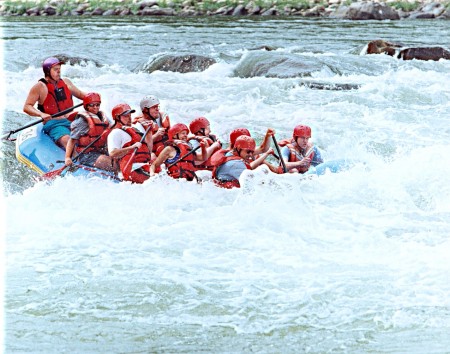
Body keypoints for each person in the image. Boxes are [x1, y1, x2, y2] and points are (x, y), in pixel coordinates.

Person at [23, 56, 86, 148]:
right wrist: (41, 114)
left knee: (91, 136)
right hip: (54, 124)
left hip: (72, 121)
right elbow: (27, 107)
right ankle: (76, 161)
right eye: (55, 69)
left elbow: (81, 94)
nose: (59, 71)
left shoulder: (66, 82)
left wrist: (93, 96)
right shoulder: (39, 87)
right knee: (68, 141)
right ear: (48, 71)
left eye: (59, 69)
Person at [64, 92, 116, 172]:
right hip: (86, 155)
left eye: (97, 105)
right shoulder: (82, 121)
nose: (95, 107)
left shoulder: (103, 117)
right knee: (113, 164)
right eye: (92, 105)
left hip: (101, 150)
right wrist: (67, 158)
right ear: (87, 106)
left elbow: (113, 128)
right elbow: (72, 140)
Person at [107, 103, 154, 183]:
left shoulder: (136, 130)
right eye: (126, 116)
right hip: (132, 170)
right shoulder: (115, 133)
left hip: (144, 167)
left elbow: (148, 151)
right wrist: (131, 147)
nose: (129, 118)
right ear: (117, 118)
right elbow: (113, 153)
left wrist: (149, 133)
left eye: (130, 115)